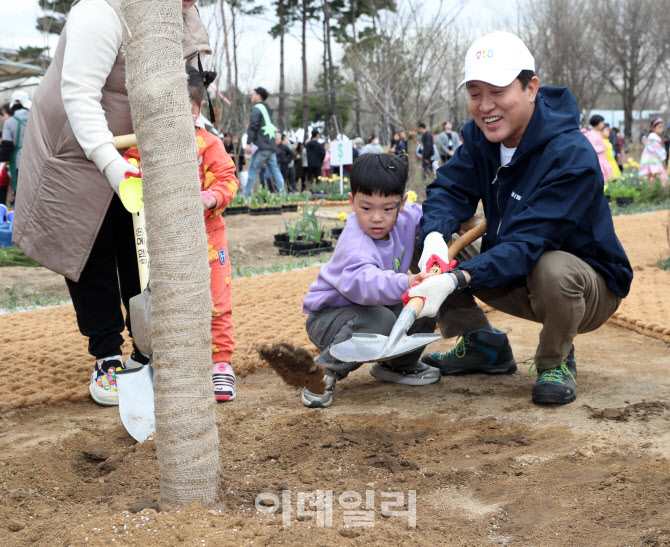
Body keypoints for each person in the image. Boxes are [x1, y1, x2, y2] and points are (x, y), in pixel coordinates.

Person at [410, 30, 632, 406]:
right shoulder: (481, 139)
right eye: (475, 93)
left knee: (552, 267)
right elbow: (449, 190)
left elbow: (530, 242)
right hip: (513, 270)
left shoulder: (570, 156)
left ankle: (555, 360)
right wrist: (434, 239)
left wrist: (456, 278)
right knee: (430, 232)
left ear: (531, 88)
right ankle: (483, 344)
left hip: (586, 287)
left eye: (497, 91)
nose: (485, 105)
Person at [13, 0, 212, 406]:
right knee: (91, 248)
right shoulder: (101, 10)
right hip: (75, 146)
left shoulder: (182, 14)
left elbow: (187, 87)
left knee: (141, 250)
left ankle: (146, 348)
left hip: (139, 149)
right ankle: (106, 353)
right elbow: (80, 95)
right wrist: (113, 167)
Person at [124, 65, 239, 401]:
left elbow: (228, 180)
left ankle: (220, 364)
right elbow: (131, 171)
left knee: (216, 300)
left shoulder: (209, 144)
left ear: (197, 109)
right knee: (167, 301)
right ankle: (170, 361)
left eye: (185, 111)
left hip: (208, 237)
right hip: (165, 240)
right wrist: (136, 178)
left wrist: (211, 197)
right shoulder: (146, 145)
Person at [301, 152, 441, 408]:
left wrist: (450, 223)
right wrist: (406, 282)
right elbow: (365, 284)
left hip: (373, 308)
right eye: (366, 208)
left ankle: (397, 365)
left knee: (426, 300)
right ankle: (322, 372)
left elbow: (430, 215)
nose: (377, 218)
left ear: (402, 202)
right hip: (330, 318)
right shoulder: (355, 243)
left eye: (388, 208)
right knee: (381, 320)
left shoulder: (405, 217)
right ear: (352, 202)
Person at [243, 86, 284, 196]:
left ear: (258, 96)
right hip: (271, 145)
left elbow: (253, 126)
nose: (252, 96)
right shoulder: (267, 109)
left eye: (253, 94)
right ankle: (282, 194)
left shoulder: (256, 109)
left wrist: (248, 143)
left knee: (252, 169)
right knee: (275, 171)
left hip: (262, 146)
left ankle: (246, 195)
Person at [0, 92, 31, 206]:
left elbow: (6, 148)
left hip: (18, 162)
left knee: (19, 193)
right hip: (35, 160)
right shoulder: (34, 118)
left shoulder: (10, 122)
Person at [584, 114, 613, 182]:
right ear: (596, 124)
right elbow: (591, 146)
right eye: (602, 123)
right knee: (601, 172)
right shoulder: (592, 134)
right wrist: (601, 149)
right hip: (597, 157)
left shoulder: (598, 133)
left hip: (602, 157)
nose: (603, 125)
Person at [638, 118, 667, 186]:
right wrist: (663, 153)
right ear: (653, 128)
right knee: (656, 175)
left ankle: (652, 190)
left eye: (662, 127)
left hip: (653, 160)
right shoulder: (652, 137)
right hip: (652, 161)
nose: (661, 129)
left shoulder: (654, 137)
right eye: (659, 127)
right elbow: (655, 149)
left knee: (653, 176)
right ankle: (657, 189)